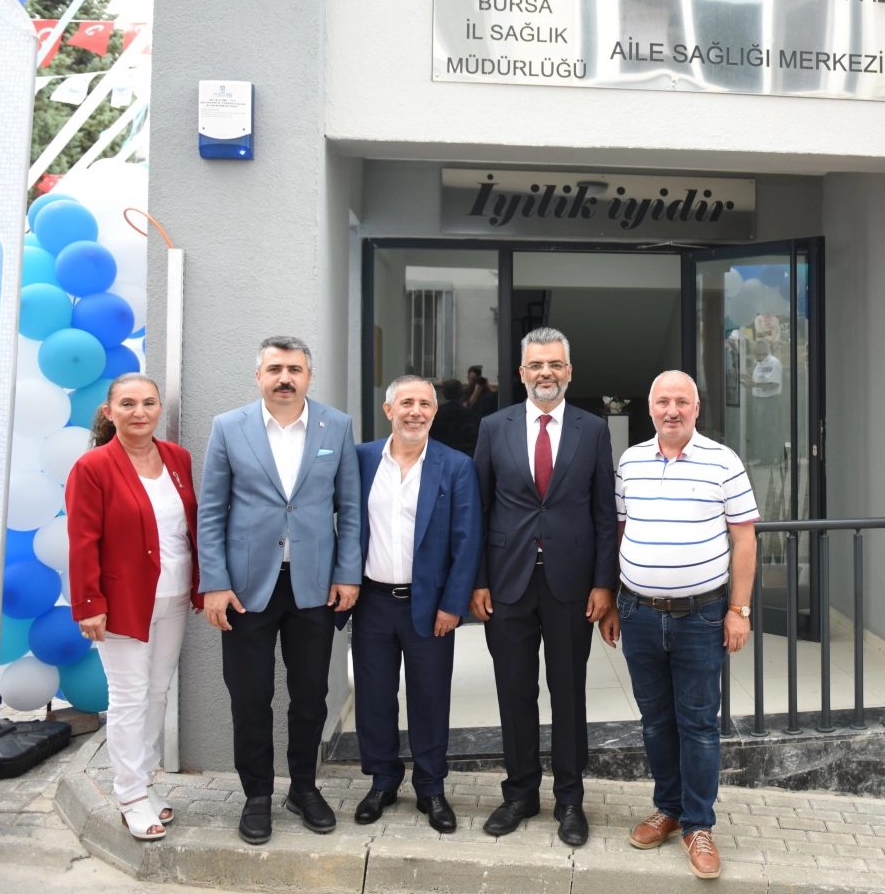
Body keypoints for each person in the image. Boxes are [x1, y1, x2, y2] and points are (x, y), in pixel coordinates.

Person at [195, 337, 362, 846]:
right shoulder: (228, 427)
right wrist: (215, 584)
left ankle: (304, 788)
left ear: (309, 376)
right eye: (275, 369)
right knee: (250, 697)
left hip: (314, 586)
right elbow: (211, 512)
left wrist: (348, 573)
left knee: (311, 696)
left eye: (294, 369)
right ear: (259, 376)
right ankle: (257, 796)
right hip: (246, 590)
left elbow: (350, 508)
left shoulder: (337, 425)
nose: (284, 378)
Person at [600, 370, 759, 881]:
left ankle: (698, 824)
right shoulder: (630, 462)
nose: (672, 410)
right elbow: (619, 531)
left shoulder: (724, 461)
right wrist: (612, 601)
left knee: (698, 724)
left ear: (696, 408)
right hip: (639, 613)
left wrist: (739, 610)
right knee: (654, 721)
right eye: (663, 402)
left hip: (702, 616)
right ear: (651, 409)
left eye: (682, 402)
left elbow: (745, 539)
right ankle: (667, 809)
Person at [469, 327, 616, 847]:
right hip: (507, 583)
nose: (545, 373)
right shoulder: (494, 426)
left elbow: (604, 513)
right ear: (522, 373)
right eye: (536, 365)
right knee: (514, 691)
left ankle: (570, 800)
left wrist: (604, 584)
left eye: (554, 364)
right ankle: (520, 795)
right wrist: (478, 581)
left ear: (569, 372)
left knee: (569, 693)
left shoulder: (593, 430)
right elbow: (478, 508)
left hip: (571, 586)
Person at [66, 374, 201, 842]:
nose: (139, 412)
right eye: (127, 404)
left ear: (160, 408)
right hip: (123, 601)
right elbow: (82, 540)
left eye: (148, 403)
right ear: (110, 412)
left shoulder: (177, 458)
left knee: (157, 693)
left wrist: (201, 585)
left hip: (175, 595)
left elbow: (188, 527)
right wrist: (89, 604)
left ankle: (144, 781)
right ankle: (128, 795)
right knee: (128, 698)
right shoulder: (93, 466)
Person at [344, 375, 482, 833]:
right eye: (406, 403)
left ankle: (431, 787)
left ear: (435, 412)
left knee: (430, 698)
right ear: (389, 410)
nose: (416, 412)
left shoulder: (455, 466)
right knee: (374, 697)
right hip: (372, 602)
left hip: (431, 605)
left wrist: (453, 605)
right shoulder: (361, 459)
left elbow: (467, 541)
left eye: (424, 404)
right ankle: (382, 781)